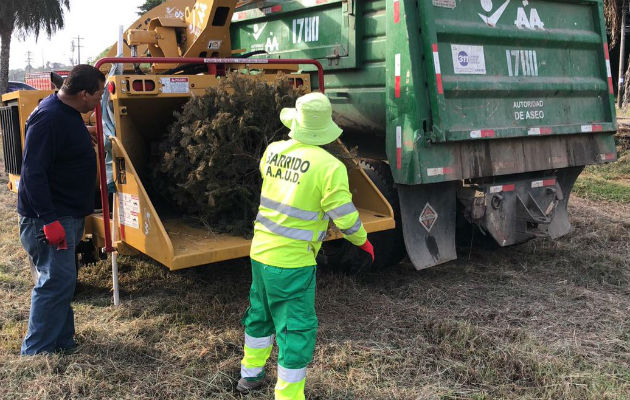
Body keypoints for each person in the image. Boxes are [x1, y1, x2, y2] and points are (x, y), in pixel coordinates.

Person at [237, 92, 375, 399]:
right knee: (295, 328)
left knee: (260, 314)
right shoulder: (330, 167)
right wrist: (362, 241)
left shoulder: (273, 151)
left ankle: (250, 374)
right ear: (325, 129)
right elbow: (345, 216)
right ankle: (289, 395)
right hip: (293, 262)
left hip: (260, 252)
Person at [18, 64, 105, 355]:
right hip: (52, 217)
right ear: (83, 94)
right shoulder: (49, 119)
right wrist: (48, 220)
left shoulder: (64, 112)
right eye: (98, 95)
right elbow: (32, 174)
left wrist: (83, 132)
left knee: (63, 281)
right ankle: (37, 351)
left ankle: (62, 342)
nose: (99, 101)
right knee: (54, 281)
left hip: (66, 213)